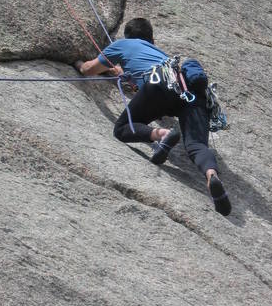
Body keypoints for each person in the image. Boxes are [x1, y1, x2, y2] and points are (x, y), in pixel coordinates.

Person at [75, 18, 231, 216]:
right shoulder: (163, 56)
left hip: (160, 86)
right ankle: (211, 176)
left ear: (128, 36)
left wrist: (79, 63)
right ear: (152, 39)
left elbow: (89, 69)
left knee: (122, 128)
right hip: (191, 93)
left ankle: (162, 134)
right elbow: (125, 71)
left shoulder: (121, 45)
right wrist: (125, 74)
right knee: (197, 146)